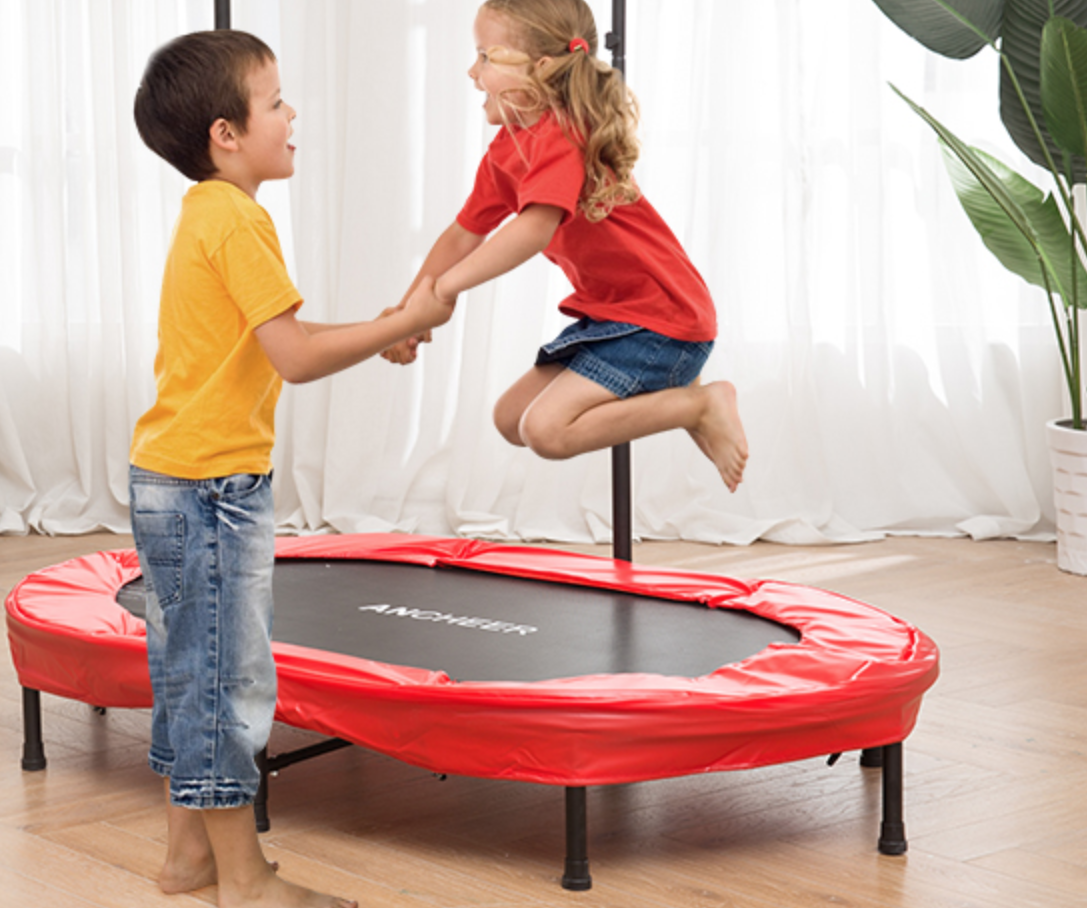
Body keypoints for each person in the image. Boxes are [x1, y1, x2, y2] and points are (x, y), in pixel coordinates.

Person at [130, 29, 450, 908]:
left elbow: (283, 344)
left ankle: (187, 861)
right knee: (225, 684)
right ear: (226, 134)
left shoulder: (209, 213)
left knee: (189, 673)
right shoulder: (239, 218)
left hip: (172, 477)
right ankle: (247, 881)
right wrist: (400, 322)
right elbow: (295, 355)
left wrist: (383, 325)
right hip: (209, 490)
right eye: (275, 102)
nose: (292, 112)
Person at [383, 0, 749, 492]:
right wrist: (411, 311)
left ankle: (697, 404)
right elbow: (462, 234)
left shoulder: (560, 132)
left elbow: (534, 229)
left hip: (664, 319)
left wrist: (444, 291)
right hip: (613, 318)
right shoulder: (507, 150)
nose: (473, 72)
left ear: (539, 69)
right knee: (511, 419)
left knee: (546, 431)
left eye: (486, 57)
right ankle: (688, 403)